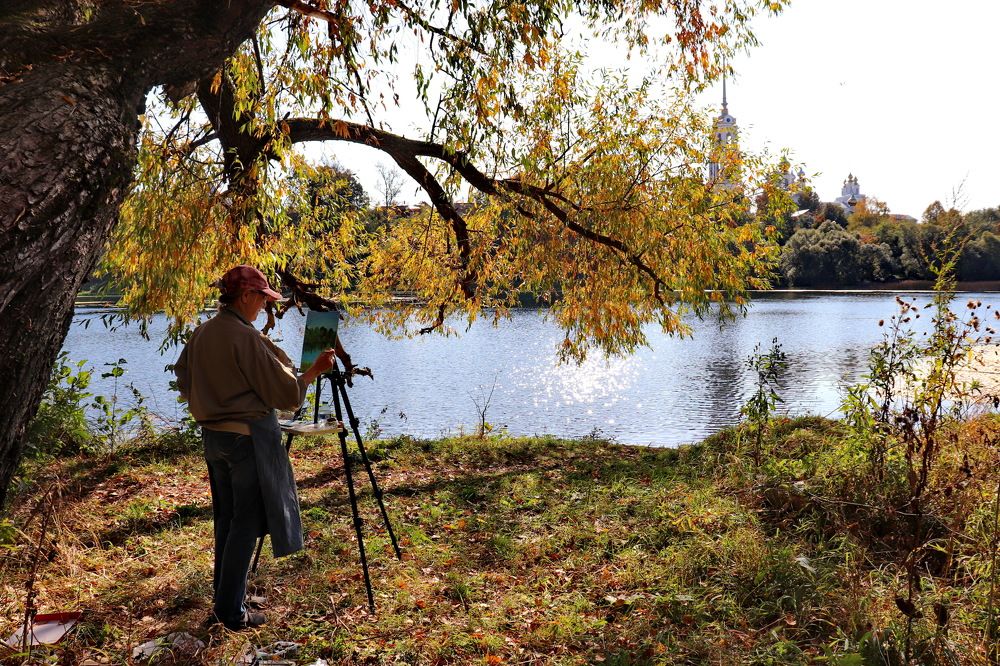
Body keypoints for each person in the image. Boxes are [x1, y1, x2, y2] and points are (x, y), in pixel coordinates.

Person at [173, 265, 348, 631]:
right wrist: (313, 371)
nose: (264, 309)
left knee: (227, 520)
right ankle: (230, 613)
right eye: (263, 301)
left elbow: (183, 376)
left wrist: (212, 403)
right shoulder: (243, 336)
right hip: (245, 440)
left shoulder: (204, 331)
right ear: (247, 296)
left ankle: (226, 600)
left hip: (214, 440)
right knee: (245, 524)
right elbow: (284, 394)